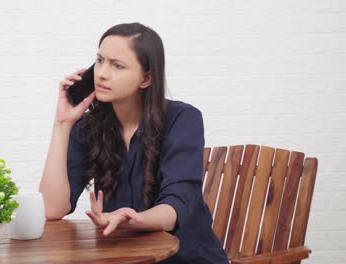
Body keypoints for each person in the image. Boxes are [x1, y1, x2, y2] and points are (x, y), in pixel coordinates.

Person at [39, 22, 228, 263]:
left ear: (146, 78)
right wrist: (62, 124)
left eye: (117, 66)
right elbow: (52, 209)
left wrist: (132, 219)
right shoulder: (90, 126)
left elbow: (174, 207)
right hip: (123, 257)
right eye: (99, 60)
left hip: (186, 258)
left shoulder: (182, 119)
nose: (102, 73)